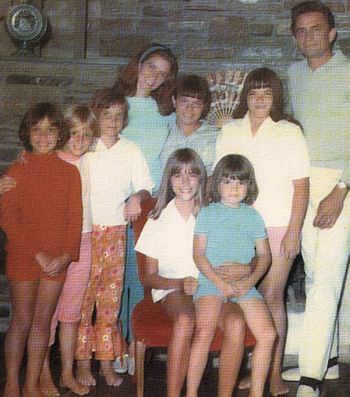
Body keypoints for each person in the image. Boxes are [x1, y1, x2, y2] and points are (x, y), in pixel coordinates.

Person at [215, 67, 310, 396]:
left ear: (275, 98)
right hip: (238, 225)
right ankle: (251, 369)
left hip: (278, 224)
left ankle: (273, 374)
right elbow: (220, 181)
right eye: (254, 93)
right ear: (245, 97)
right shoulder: (230, 131)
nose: (259, 99)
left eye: (266, 94)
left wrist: (294, 231)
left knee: (271, 296)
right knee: (243, 298)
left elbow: (301, 187)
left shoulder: (289, 131)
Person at [135, 149, 247, 397]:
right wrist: (179, 283)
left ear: (201, 178)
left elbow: (235, 253)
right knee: (185, 320)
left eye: (192, 175)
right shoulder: (158, 217)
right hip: (172, 288)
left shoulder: (214, 213)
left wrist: (239, 270)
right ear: (169, 180)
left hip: (211, 287)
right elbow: (148, 277)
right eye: (178, 176)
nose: (185, 182)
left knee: (237, 322)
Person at [282, 2, 350, 396]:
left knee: (325, 279)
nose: (308, 36)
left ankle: (310, 377)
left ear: (332, 33)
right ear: (295, 37)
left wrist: (341, 190)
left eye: (316, 29)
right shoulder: (293, 74)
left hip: (339, 185)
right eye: (301, 30)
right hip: (306, 184)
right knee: (313, 275)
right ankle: (329, 361)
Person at [0, 102, 83, 397]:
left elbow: (76, 219)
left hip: (57, 260)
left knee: (42, 323)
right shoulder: (17, 170)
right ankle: (11, 382)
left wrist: (63, 257)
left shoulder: (70, 172)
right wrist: (38, 255)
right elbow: (8, 218)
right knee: (21, 321)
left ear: (60, 133)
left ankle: (32, 382)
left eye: (51, 130)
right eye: (37, 130)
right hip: (25, 255)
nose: (44, 136)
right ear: (27, 133)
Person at [74, 88, 153, 387]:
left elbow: (145, 186)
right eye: (107, 114)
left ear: (125, 119)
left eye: (119, 115)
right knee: (83, 303)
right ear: (96, 114)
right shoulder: (85, 147)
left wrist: (137, 196)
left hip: (116, 235)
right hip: (85, 233)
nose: (113, 120)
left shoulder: (130, 150)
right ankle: (83, 364)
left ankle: (106, 363)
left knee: (110, 302)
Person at [186, 154, 276, 397]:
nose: (234, 188)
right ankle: (191, 392)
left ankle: (256, 392)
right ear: (217, 185)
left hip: (244, 286)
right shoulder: (208, 213)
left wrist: (248, 281)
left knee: (268, 335)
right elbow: (199, 255)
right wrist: (220, 283)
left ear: (249, 186)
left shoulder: (253, 216)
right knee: (204, 332)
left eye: (240, 182)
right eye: (227, 182)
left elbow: (265, 256)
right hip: (211, 283)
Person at [115, 43, 178, 374]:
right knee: (116, 280)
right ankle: (115, 345)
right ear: (138, 64)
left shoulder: (163, 112)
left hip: (151, 204)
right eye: (151, 66)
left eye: (163, 73)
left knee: (140, 279)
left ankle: (133, 344)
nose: (155, 76)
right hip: (118, 203)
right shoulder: (116, 105)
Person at [36, 105, 97, 397]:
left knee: (71, 313)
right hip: (55, 246)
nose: (80, 140)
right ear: (63, 134)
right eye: (74, 134)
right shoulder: (50, 161)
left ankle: (67, 374)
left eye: (86, 135)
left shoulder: (90, 161)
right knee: (46, 314)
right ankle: (41, 375)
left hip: (83, 241)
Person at [159, 74, 218, 176]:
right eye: (184, 101)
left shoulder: (215, 135)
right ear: (174, 101)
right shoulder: (162, 131)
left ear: (204, 106)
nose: (189, 109)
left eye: (196, 103)